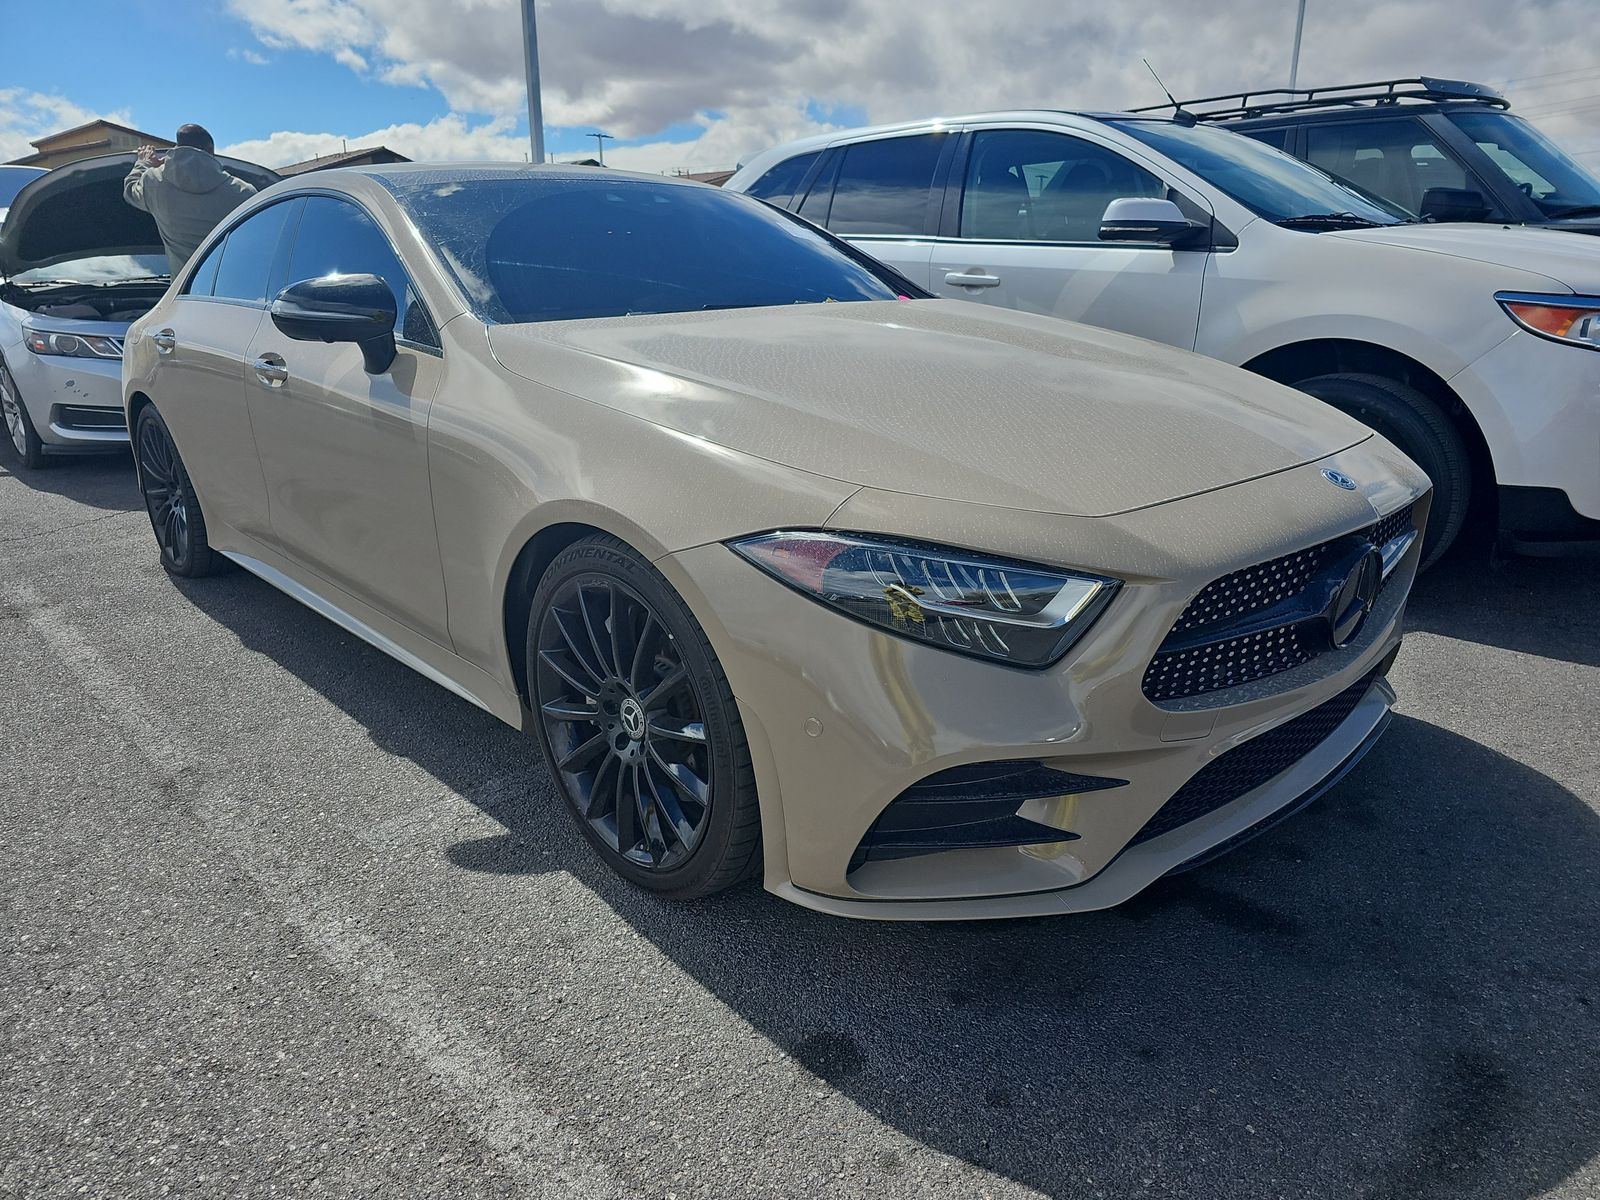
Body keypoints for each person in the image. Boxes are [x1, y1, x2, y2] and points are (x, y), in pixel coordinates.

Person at [123, 124, 257, 271]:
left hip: (185, 291)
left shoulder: (154, 182)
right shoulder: (244, 193)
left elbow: (130, 190)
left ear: (177, 148)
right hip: (232, 290)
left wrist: (143, 163)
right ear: (211, 151)